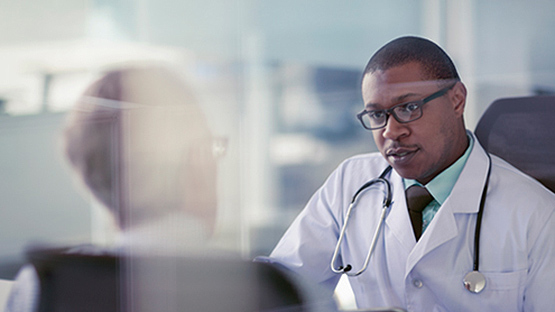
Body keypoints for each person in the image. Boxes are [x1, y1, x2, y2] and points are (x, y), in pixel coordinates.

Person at [5, 66, 336, 312]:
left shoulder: (43, 285)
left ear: (90, 179)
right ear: (197, 161)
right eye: (211, 148)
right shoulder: (282, 293)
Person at [264, 36, 555, 311]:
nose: (391, 131)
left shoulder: (538, 215)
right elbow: (279, 289)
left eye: (409, 107)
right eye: (377, 115)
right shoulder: (350, 183)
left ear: (457, 100)